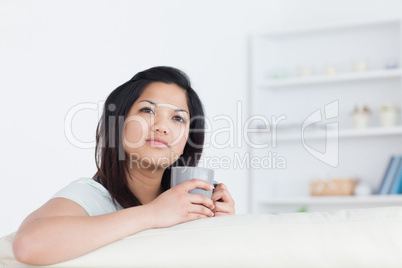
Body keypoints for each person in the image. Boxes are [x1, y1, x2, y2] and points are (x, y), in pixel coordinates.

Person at [12, 66, 235, 265]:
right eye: (147, 111)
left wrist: (222, 229)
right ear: (118, 123)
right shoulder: (92, 195)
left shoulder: (194, 201)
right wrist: (152, 214)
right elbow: (28, 246)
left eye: (178, 118)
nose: (162, 127)